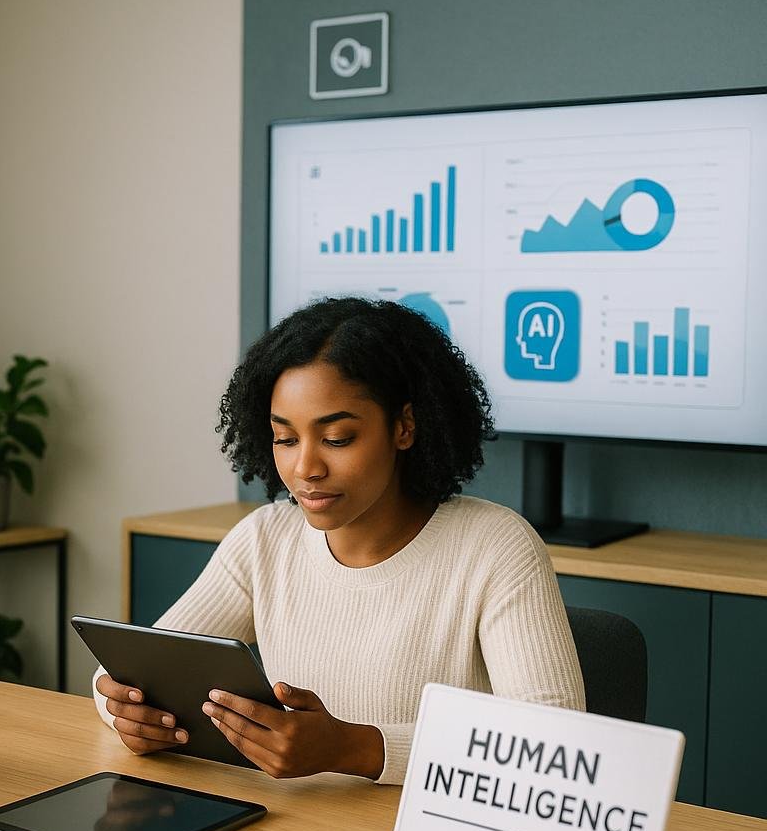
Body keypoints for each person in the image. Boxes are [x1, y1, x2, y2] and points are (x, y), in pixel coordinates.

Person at [94, 297, 585, 785]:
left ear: (404, 427)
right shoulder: (265, 539)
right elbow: (130, 667)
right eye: (285, 439)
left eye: (337, 438)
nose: (306, 468)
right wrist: (125, 710)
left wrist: (354, 747)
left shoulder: (495, 547)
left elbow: (554, 745)